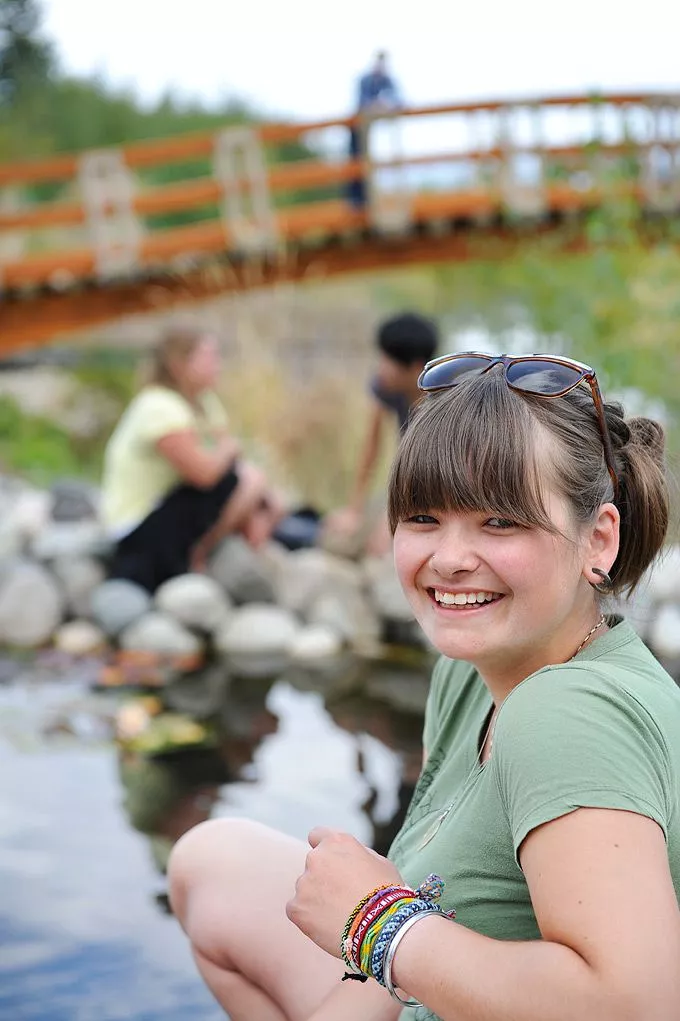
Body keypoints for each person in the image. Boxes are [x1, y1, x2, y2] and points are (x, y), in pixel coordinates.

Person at [167, 350, 680, 1021]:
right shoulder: (471, 674)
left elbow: (638, 1003)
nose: (449, 558)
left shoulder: (569, 713)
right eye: (423, 517)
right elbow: (415, 913)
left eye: (500, 520)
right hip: (439, 985)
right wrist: (382, 927)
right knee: (211, 860)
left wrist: (378, 924)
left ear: (598, 540)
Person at [101, 324, 284, 594]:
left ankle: (219, 550)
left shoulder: (204, 402)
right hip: (138, 528)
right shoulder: (158, 406)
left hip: (173, 509)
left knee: (259, 488)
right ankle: (201, 553)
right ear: (179, 365)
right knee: (244, 480)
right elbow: (205, 473)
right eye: (209, 357)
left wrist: (259, 499)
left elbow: (228, 459)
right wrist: (230, 452)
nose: (217, 364)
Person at [326, 312, 439, 556]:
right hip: (403, 486)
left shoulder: (441, 401)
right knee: (339, 536)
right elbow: (371, 447)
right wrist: (354, 509)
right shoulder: (388, 388)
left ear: (416, 367)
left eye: (388, 361)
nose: (381, 368)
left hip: (433, 492)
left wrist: (393, 518)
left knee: (383, 543)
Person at [347, 51, 402, 208]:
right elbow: (360, 104)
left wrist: (385, 104)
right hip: (359, 127)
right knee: (356, 159)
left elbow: (400, 100)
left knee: (369, 161)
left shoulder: (388, 80)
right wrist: (375, 105)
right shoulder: (365, 80)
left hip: (376, 124)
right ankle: (357, 200)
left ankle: (367, 198)